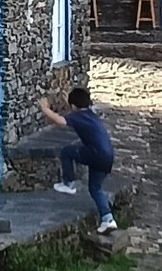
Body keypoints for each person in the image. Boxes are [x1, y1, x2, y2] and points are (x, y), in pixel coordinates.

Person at [38, 87, 117, 234]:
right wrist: (68, 99)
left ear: (73, 106)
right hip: (107, 157)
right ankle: (108, 219)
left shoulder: (78, 116)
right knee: (95, 188)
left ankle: (69, 183)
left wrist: (45, 109)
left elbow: (61, 121)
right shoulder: (90, 113)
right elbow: (76, 108)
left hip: (95, 154)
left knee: (67, 152)